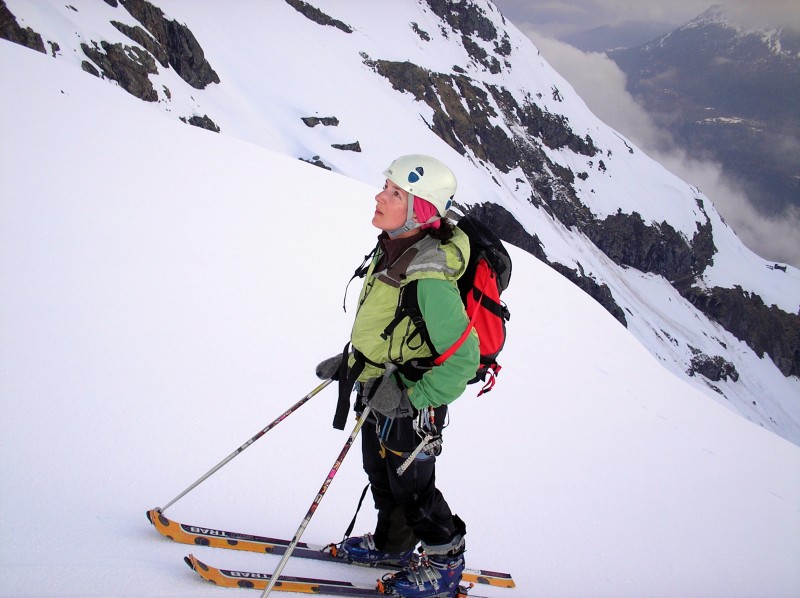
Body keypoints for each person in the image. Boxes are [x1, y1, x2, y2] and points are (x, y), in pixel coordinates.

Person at [316, 154, 479, 598]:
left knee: (412, 488)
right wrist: (356, 362)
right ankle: (392, 546)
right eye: (384, 187)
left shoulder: (428, 273)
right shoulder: (392, 244)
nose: (379, 196)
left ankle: (445, 565)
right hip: (380, 386)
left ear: (420, 209)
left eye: (394, 193)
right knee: (380, 472)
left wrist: (417, 398)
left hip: (411, 397)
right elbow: (391, 324)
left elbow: (464, 359)